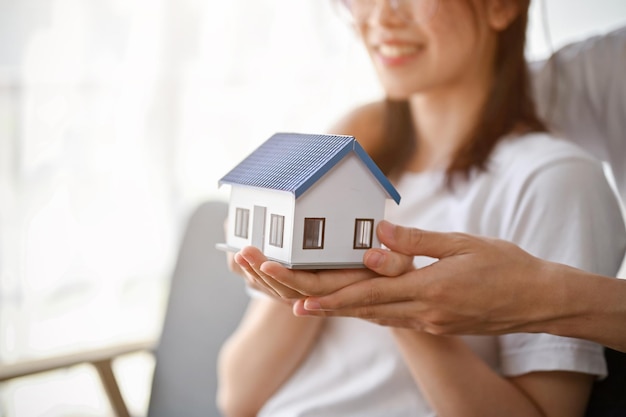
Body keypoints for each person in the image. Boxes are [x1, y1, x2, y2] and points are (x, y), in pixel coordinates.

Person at [217, 1, 626, 416]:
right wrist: (301, 276)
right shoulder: (356, 161)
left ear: (502, 7)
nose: (381, 18)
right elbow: (237, 396)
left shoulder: (553, 180)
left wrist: (395, 307)